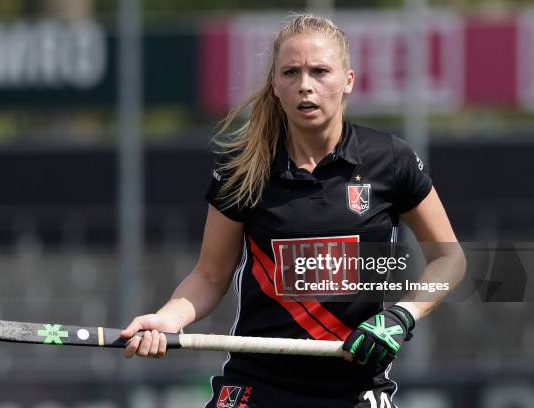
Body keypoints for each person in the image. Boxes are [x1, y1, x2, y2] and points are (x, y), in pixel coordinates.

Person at [120, 14, 465, 408]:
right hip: (259, 385)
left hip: (353, 387)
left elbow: (449, 260)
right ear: (275, 86)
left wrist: (403, 316)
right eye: (291, 72)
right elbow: (210, 277)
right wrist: (168, 319)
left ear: (347, 81)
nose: (305, 86)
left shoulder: (390, 159)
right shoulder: (243, 169)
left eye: (320, 72)